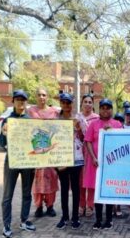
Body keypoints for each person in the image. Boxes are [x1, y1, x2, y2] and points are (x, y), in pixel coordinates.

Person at [1, 90, 36, 238]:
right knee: (8, 195)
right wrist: (3, 134)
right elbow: (2, 144)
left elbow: (35, 143)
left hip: (27, 162)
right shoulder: (7, 121)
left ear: (26, 102)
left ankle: (24, 220)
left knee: (27, 193)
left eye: (23, 100)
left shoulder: (30, 120)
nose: (21, 102)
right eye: (18, 100)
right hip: (12, 161)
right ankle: (6, 224)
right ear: (13, 102)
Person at [84, 98, 123, 230]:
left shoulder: (117, 124)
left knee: (109, 191)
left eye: (108, 108)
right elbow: (88, 141)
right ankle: (98, 219)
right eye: (103, 108)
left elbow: (123, 142)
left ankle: (109, 220)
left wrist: (113, 131)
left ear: (112, 110)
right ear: (99, 109)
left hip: (111, 165)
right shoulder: (94, 124)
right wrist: (93, 157)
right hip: (97, 164)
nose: (105, 110)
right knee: (98, 193)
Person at [28, 88, 59, 218]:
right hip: (35, 150)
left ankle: (50, 206)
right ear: (36, 96)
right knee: (37, 179)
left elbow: (60, 130)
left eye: (44, 95)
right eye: (39, 95)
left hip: (50, 152)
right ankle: (39, 206)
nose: (41, 97)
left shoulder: (54, 112)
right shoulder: (30, 111)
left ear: (48, 97)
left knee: (51, 178)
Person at [55, 93, 83, 230]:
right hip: (61, 158)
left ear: (72, 103)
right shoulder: (55, 120)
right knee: (64, 188)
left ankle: (75, 217)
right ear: (60, 104)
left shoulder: (78, 119)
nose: (66, 105)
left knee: (76, 189)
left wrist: (78, 129)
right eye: (64, 103)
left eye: (68, 102)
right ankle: (65, 216)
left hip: (76, 158)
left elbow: (84, 139)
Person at [76, 94, 99, 217]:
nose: (88, 104)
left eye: (90, 102)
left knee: (90, 178)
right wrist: (78, 129)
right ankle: (81, 204)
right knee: (80, 180)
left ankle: (90, 205)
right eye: (85, 101)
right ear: (82, 103)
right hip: (79, 152)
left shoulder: (96, 118)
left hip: (91, 152)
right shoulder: (76, 118)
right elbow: (76, 137)